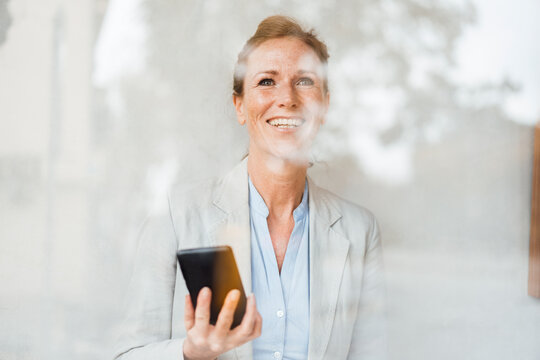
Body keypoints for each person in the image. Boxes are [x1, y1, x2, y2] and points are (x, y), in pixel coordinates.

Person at [114, 15, 385, 360]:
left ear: (324, 105)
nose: (286, 98)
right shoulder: (177, 215)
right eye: (267, 81)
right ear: (240, 106)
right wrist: (190, 352)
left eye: (304, 81)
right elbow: (126, 354)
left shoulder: (360, 231)